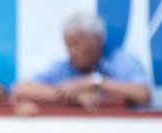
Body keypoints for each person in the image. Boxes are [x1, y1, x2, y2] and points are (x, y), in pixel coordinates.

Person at [11, 12, 150, 112]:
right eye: (67, 45)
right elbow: (20, 89)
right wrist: (72, 96)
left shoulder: (122, 61)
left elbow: (143, 94)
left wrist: (95, 82)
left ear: (97, 40)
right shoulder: (62, 68)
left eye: (76, 44)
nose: (71, 51)